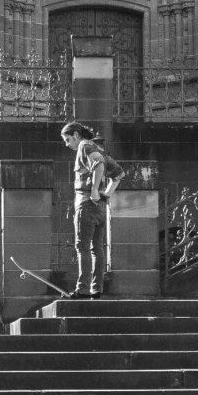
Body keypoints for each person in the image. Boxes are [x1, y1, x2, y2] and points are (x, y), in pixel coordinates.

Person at [60, 121, 119, 299]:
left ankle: (82, 289)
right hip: (100, 207)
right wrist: (106, 194)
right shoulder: (98, 148)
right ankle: (96, 289)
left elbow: (98, 164)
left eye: (67, 139)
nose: (67, 144)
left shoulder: (84, 146)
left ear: (76, 135)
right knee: (97, 248)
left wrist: (93, 191)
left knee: (82, 247)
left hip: (86, 204)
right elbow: (118, 174)